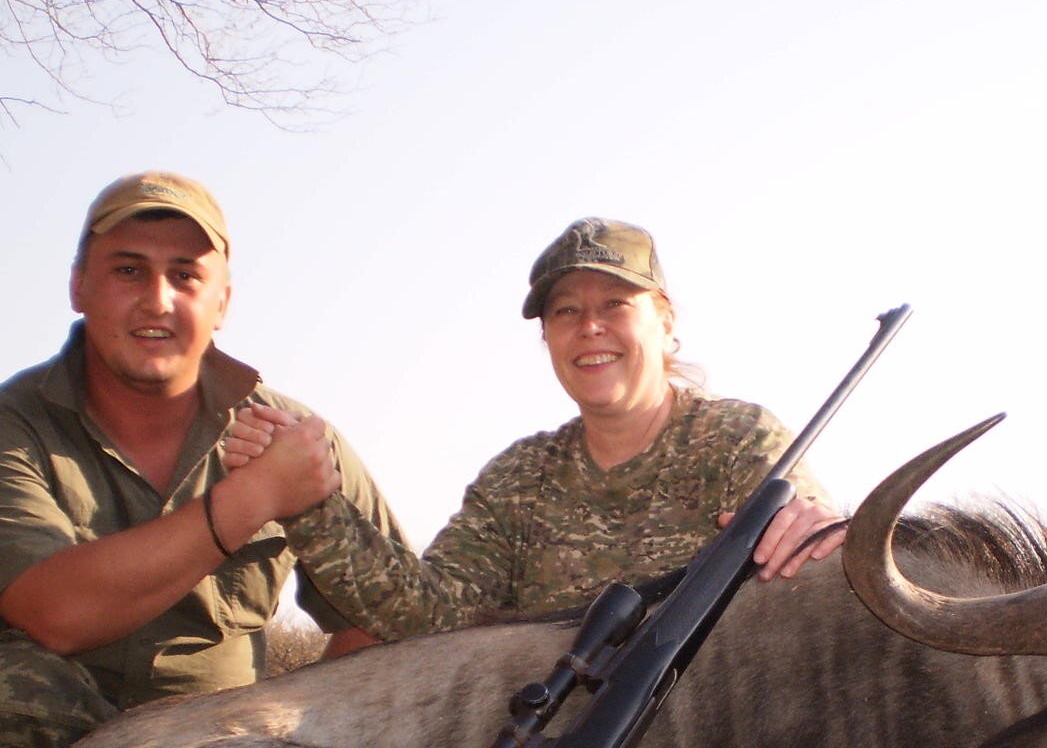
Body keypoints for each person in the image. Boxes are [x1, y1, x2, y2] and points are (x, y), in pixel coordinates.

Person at [0, 170, 405, 748]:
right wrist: (255, 496)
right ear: (79, 286)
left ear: (222, 303)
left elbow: (393, 616)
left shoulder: (298, 437)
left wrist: (292, 733)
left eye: (185, 275)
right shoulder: (4, 431)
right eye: (128, 271)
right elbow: (54, 612)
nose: (157, 301)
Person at [225, 217, 844, 639]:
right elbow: (428, 614)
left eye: (614, 306)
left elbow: (803, 532)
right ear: (546, 337)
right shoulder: (518, 477)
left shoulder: (739, 438)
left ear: (664, 322)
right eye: (566, 312)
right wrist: (308, 505)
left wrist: (819, 531)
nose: (589, 327)